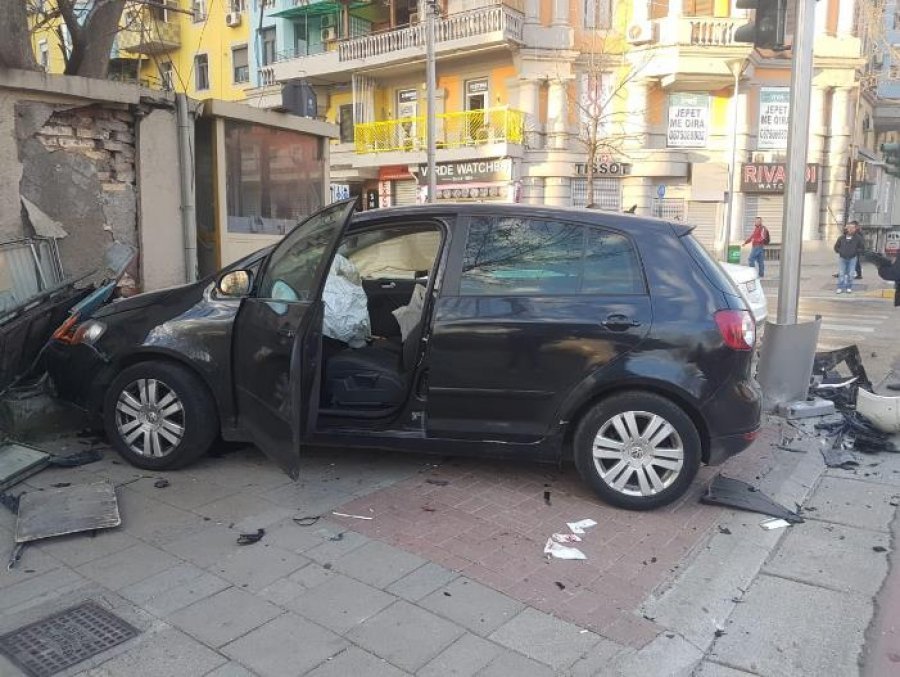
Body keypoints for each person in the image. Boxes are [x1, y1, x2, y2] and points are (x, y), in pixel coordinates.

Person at [833, 221, 866, 293]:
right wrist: (841, 251)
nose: (851, 229)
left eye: (852, 228)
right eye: (849, 227)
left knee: (851, 273)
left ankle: (849, 287)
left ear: (855, 229)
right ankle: (840, 287)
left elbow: (862, 248)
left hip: (852, 258)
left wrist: (855, 252)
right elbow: (836, 247)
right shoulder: (841, 238)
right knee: (841, 273)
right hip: (842, 258)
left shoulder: (858, 238)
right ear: (847, 228)